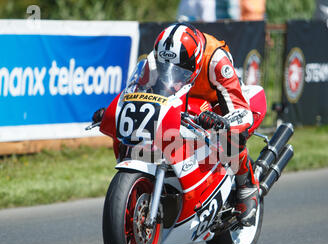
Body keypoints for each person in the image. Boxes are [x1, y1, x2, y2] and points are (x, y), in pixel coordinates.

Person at [93, 23, 266, 226]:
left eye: (181, 70)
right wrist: (116, 110)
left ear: (196, 60)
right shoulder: (156, 60)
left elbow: (240, 109)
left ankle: (246, 187)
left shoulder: (216, 60)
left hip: (218, 103)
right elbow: (140, 92)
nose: (172, 72)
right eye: (166, 67)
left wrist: (222, 121)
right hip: (181, 100)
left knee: (232, 135)